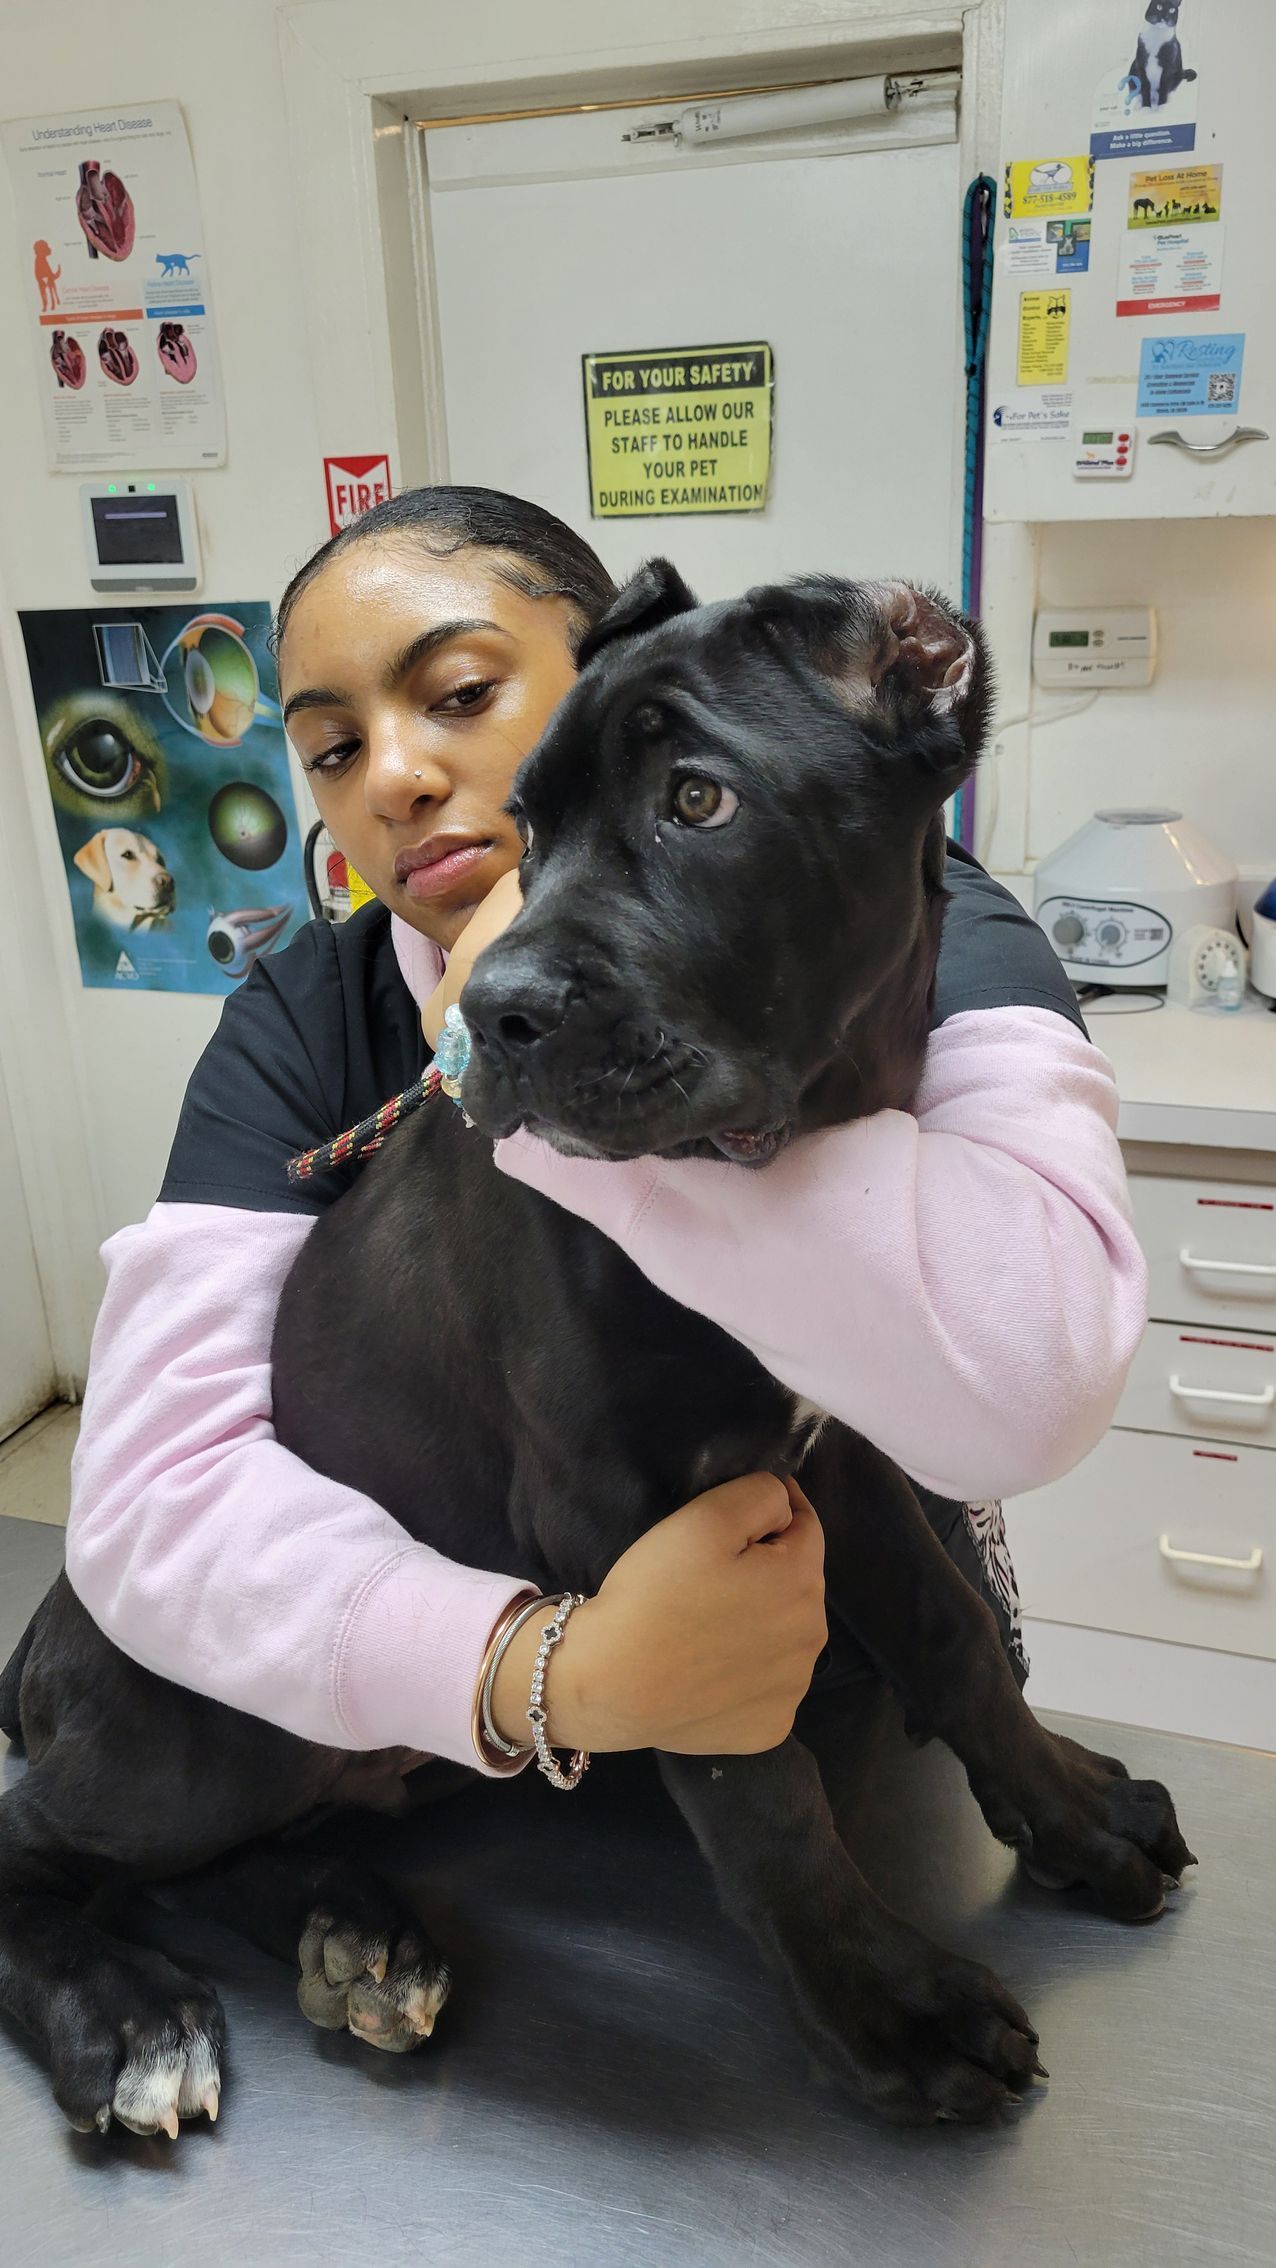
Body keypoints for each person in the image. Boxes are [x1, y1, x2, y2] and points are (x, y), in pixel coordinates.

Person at [66, 487, 1146, 1778]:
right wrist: (539, 1675)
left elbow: (1023, 1391)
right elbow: (149, 1504)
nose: (398, 777)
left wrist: (523, 1084)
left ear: (615, 679)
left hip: (851, 1687)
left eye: (461, 694)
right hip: (463, 1744)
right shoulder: (303, 1013)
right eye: (334, 749)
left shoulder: (917, 915)